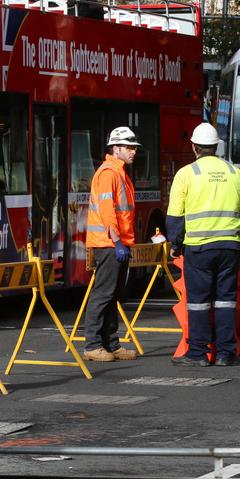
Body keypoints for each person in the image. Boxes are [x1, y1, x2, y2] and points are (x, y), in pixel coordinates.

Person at [166, 122, 240, 367]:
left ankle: (198, 353)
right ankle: (226, 353)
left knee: (198, 302)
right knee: (226, 301)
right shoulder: (235, 173)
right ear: (216, 147)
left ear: (194, 147)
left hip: (199, 248)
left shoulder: (186, 174)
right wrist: (237, 239)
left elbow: (175, 217)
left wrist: (176, 244)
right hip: (230, 247)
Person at [81, 126, 141, 362]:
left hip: (117, 244)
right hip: (108, 244)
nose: (133, 151)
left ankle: (110, 343)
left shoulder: (120, 172)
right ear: (116, 148)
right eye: (129, 147)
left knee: (113, 295)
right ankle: (93, 345)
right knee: (103, 295)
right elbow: (108, 212)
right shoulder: (109, 173)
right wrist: (117, 241)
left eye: (134, 147)